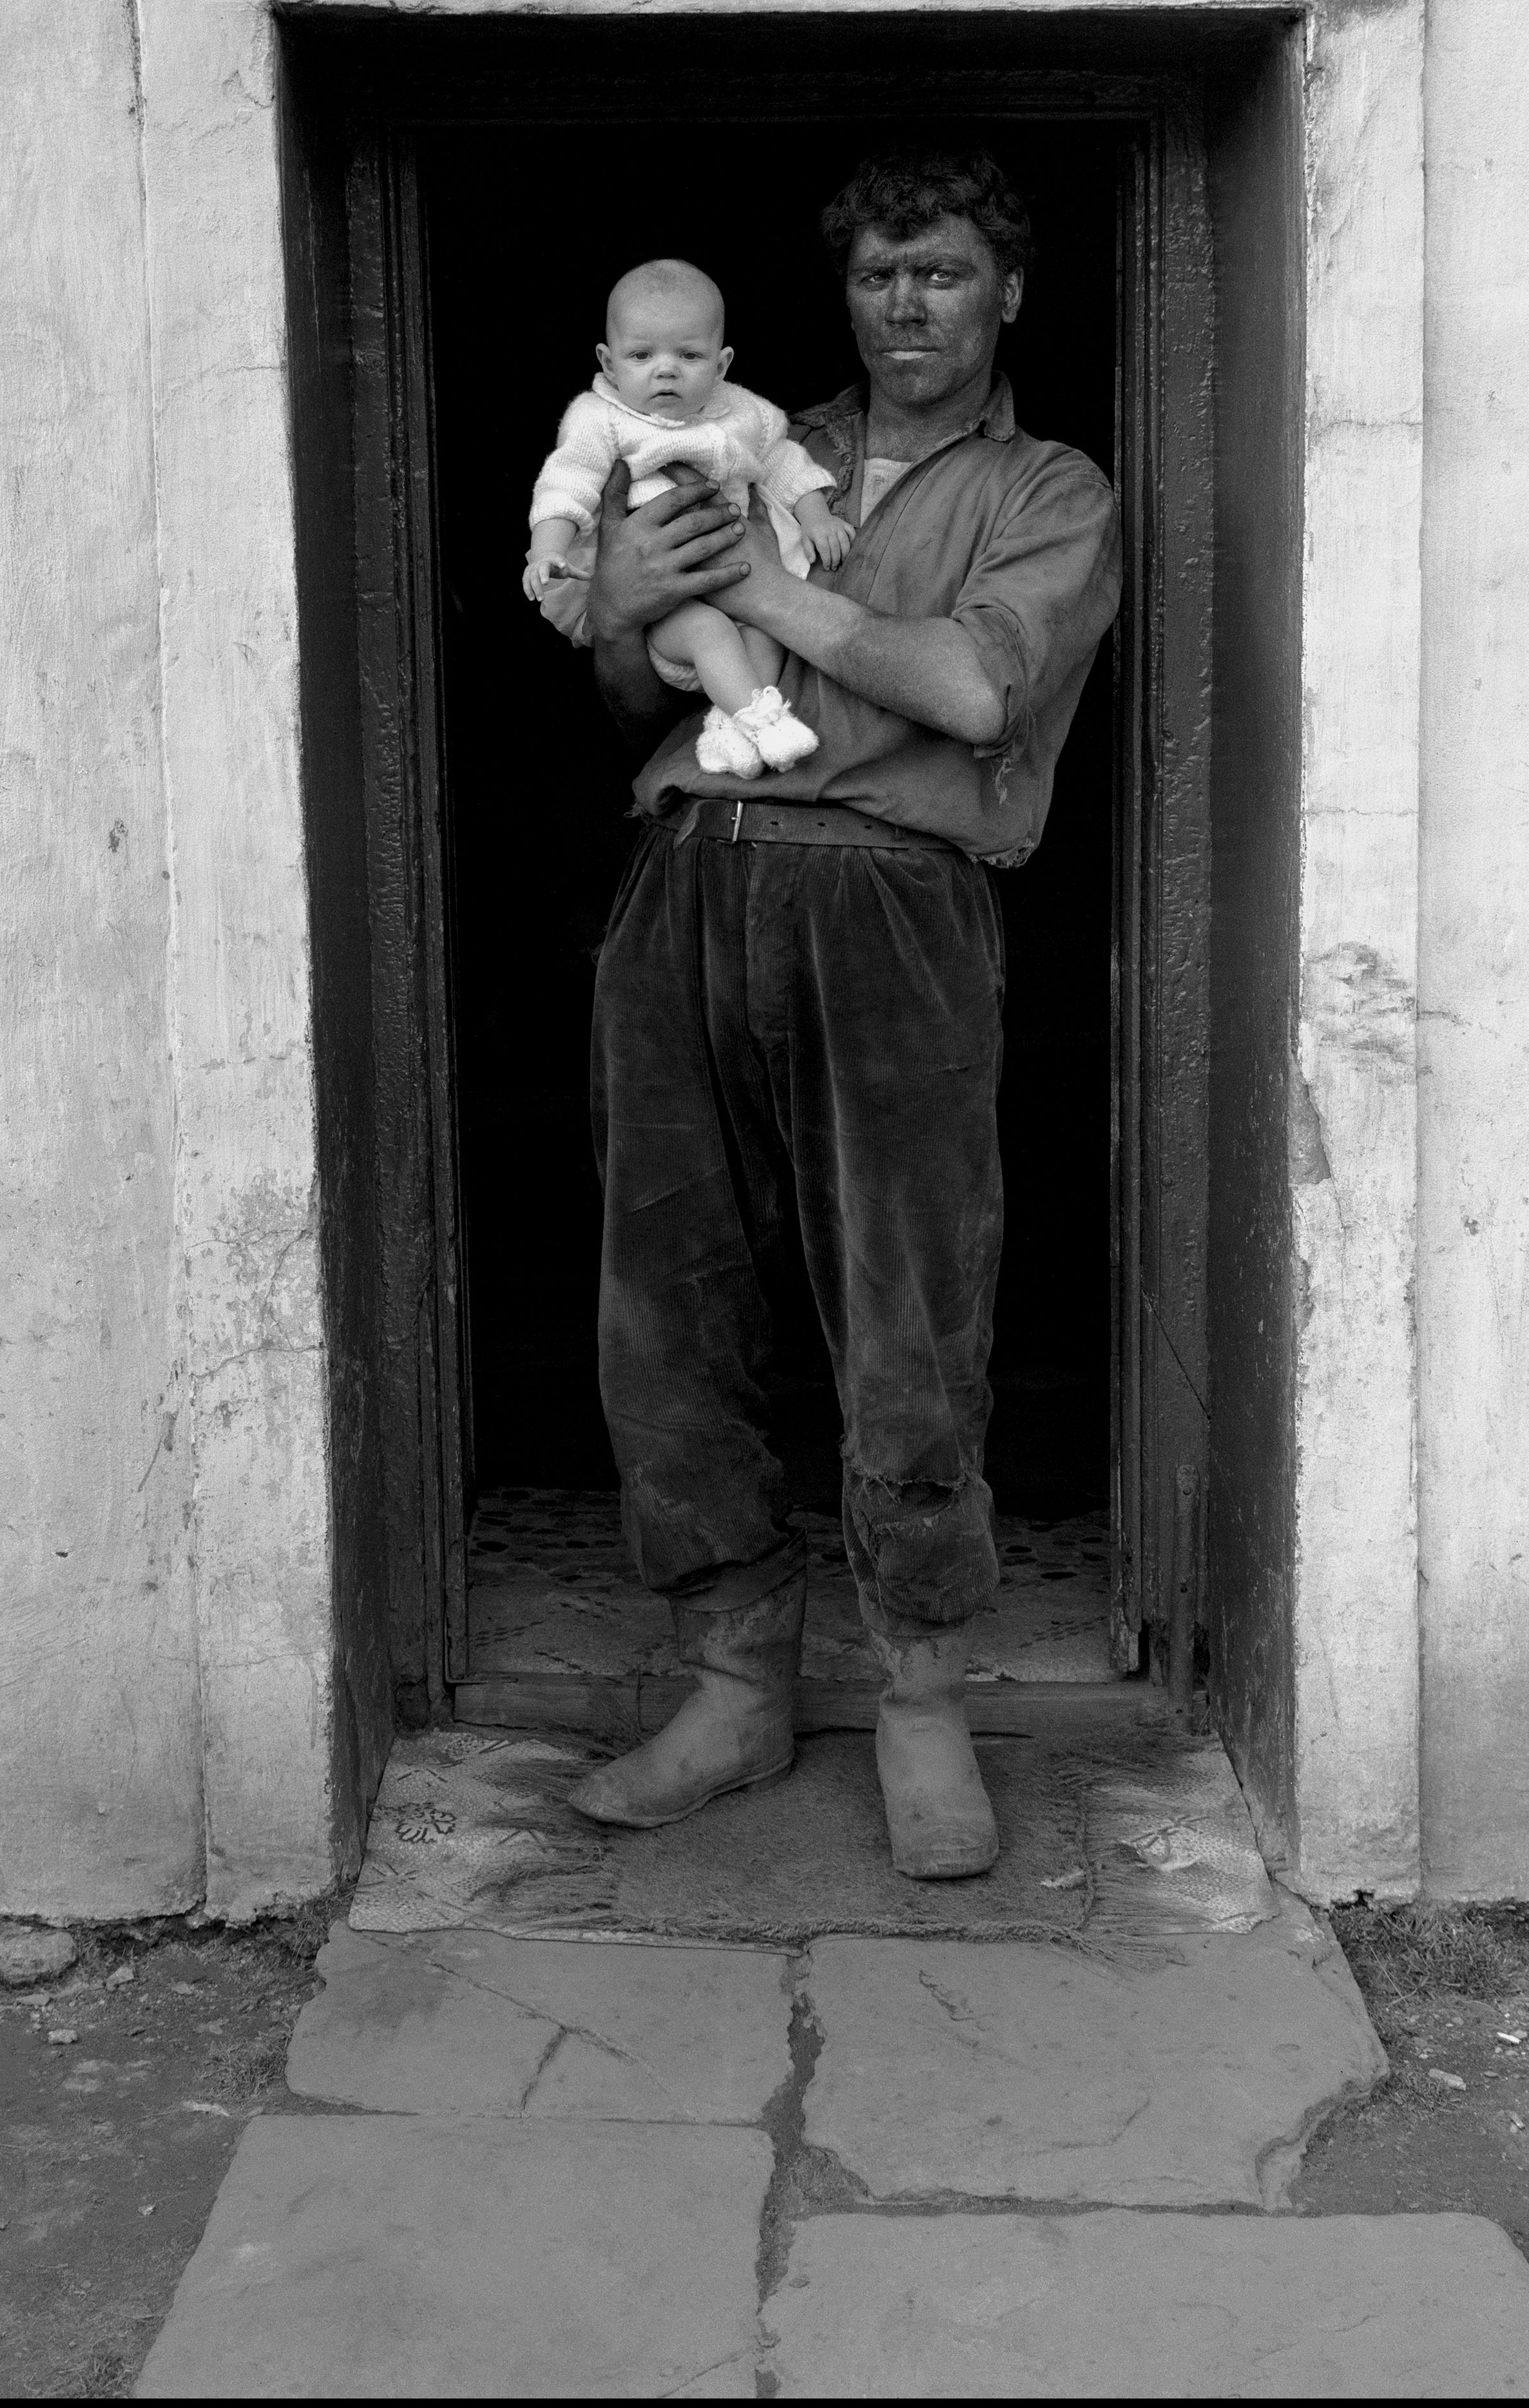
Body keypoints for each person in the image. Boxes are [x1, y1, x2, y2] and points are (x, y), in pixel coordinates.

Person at [567, 149, 1122, 1878]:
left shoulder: (1048, 487)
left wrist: (755, 587)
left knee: (909, 1305)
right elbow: (622, 680)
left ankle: (919, 1702)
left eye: (942, 272)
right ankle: (732, 1686)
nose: (907, 305)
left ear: (1006, 291)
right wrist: (637, 607)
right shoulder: (744, 433)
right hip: (688, 871)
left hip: (893, 896)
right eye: (880, 275)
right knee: (666, 1296)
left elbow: (969, 686)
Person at [523, 257, 851, 776]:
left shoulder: (745, 412)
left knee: (768, 630)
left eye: (689, 355)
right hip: (662, 608)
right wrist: (546, 548)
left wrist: (815, 517)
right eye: (641, 355)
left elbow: (785, 463)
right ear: (608, 362)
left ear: (720, 366)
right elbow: (567, 483)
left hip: (742, 583)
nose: (666, 369)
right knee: (710, 631)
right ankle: (766, 724)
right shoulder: (600, 418)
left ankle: (727, 727)